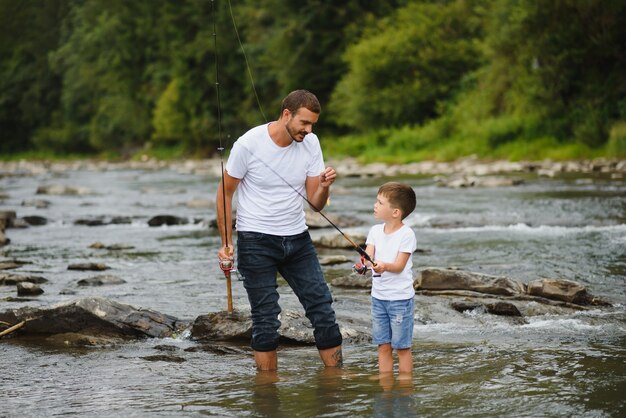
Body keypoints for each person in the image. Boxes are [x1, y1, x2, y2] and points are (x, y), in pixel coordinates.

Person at [216, 89, 343, 371]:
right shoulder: (248, 144)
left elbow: (315, 205)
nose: (308, 131)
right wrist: (226, 242)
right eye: (304, 123)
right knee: (266, 318)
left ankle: (336, 380)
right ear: (287, 114)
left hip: (297, 239)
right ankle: (267, 389)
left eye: (312, 125)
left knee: (322, 309)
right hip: (255, 241)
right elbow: (224, 193)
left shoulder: (311, 143)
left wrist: (324, 186)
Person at [355, 182, 417, 374]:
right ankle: (386, 382)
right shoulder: (374, 231)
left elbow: (398, 267)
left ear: (395, 212)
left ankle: (406, 385)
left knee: (402, 348)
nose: (375, 205)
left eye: (380, 203)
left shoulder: (407, 235)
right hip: (378, 298)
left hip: (400, 300)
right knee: (383, 346)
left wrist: (383, 265)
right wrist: (362, 265)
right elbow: (369, 259)